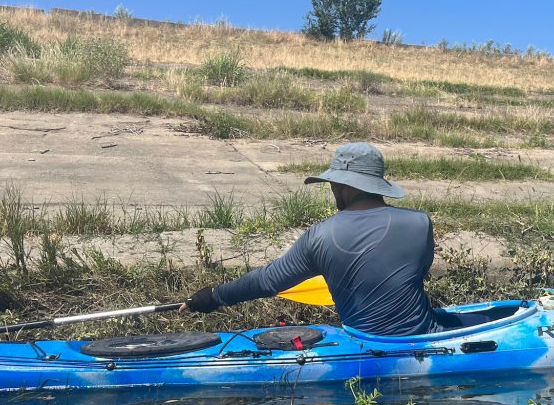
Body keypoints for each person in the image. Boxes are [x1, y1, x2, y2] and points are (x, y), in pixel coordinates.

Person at [180, 142, 441, 336]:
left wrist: (214, 296)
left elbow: (267, 281)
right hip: (425, 336)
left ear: (346, 187)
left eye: (333, 185)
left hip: (367, 342)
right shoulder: (420, 223)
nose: (332, 191)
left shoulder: (320, 236)